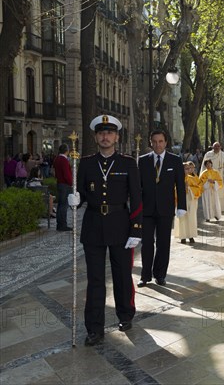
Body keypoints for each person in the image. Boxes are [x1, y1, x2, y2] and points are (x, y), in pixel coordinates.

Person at [67, 114, 143, 346]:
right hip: (93, 226)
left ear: (117, 137)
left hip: (121, 224)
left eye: (109, 133)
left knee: (122, 274)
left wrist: (136, 229)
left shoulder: (128, 163)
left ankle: (125, 314)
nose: (105, 137)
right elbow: (79, 194)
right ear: (96, 137)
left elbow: (137, 198)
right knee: (95, 279)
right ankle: (94, 328)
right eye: (101, 133)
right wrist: (74, 200)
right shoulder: (87, 163)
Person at [138, 129, 187, 287]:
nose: (157, 145)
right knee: (146, 243)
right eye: (154, 141)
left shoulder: (175, 161)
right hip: (146, 210)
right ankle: (145, 276)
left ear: (166, 143)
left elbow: (180, 185)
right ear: (150, 143)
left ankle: (160, 274)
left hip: (166, 210)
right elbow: (137, 187)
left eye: (161, 141)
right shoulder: (143, 161)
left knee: (163, 243)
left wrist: (181, 206)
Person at [174, 162, 202, 244]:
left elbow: (199, 188)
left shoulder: (192, 178)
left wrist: (189, 188)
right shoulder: (178, 178)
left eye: (189, 168)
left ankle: (191, 236)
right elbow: (173, 188)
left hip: (190, 199)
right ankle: (182, 236)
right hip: (181, 200)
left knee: (191, 217)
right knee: (182, 217)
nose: (188, 170)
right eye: (186, 169)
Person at [202, 142, 224, 212]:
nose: (217, 148)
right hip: (210, 176)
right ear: (213, 147)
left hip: (220, 177)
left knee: (221, 193)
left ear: (220, 147)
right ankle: (212, 209)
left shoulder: (223, 155)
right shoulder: (208, 154)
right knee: (211, 194)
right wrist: (203, 177)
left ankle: (221, 209)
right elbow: (204, 165)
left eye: (218, 146)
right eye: (215, 146)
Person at [53, 144, 73, 231]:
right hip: (65, 184)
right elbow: (66, 174)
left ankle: (59, 224)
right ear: (67, 151)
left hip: (60, 183)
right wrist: (71, 183)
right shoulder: (64, 160)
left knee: (61, 205)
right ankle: (62, 225)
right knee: (64, 205)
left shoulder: (57, 159)